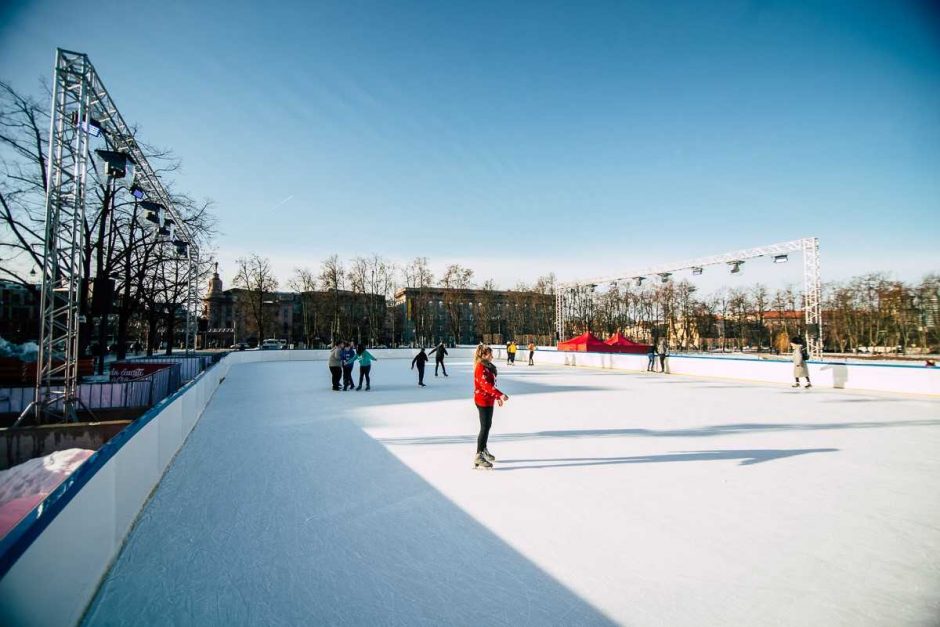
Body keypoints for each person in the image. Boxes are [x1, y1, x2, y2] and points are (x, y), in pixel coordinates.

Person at [473, 344, 508, 469]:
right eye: (490, 354)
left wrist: (497, 397)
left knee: (487, 426)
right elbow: (486, 386)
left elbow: (490, 385)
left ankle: (483, 449)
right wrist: (500, 395)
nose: (492, 356)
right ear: (483, 355)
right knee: (485, 427)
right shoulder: (480, 367)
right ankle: (479, 454)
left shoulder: (487, 367)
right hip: (482, 400)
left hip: (488, 399)